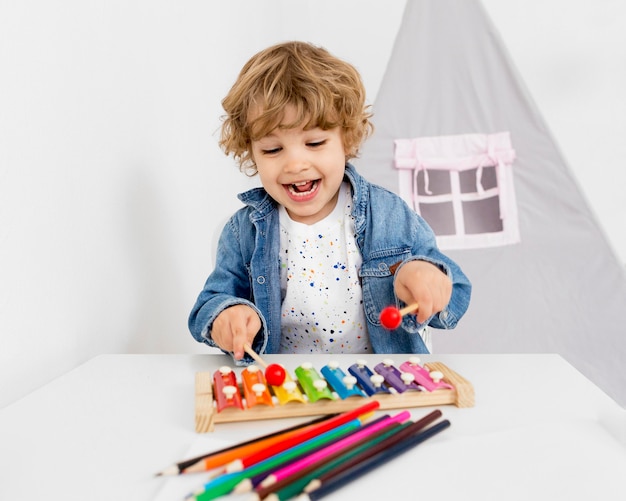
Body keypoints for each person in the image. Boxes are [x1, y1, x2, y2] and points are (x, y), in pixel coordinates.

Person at [189, 41, 471, 363]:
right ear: (250, 151)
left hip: (380, 379)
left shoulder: (389, 215)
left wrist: (426, 277)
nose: (295, 164)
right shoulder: (244, 232)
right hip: (289, 385)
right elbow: (210, 303)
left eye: (315, 142)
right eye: (272, 150)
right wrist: (227, 314)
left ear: (345, 140)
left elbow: (457, 289)